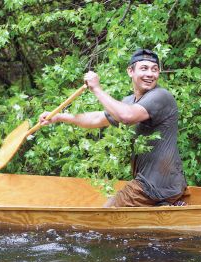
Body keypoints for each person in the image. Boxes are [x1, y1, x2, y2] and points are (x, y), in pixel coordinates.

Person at [39, 48, 187, 207]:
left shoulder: (160, 96)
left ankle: (162, 204)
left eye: (154, 69)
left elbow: (126, 116)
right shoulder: (130, 101)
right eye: (144, 68)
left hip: (156, 186)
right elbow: (96, 118)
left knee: (105, 215)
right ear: (130, 71)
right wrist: (59, 117)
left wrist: (96, 89)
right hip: (154, 184)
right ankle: (162, 208)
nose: (150, 74)